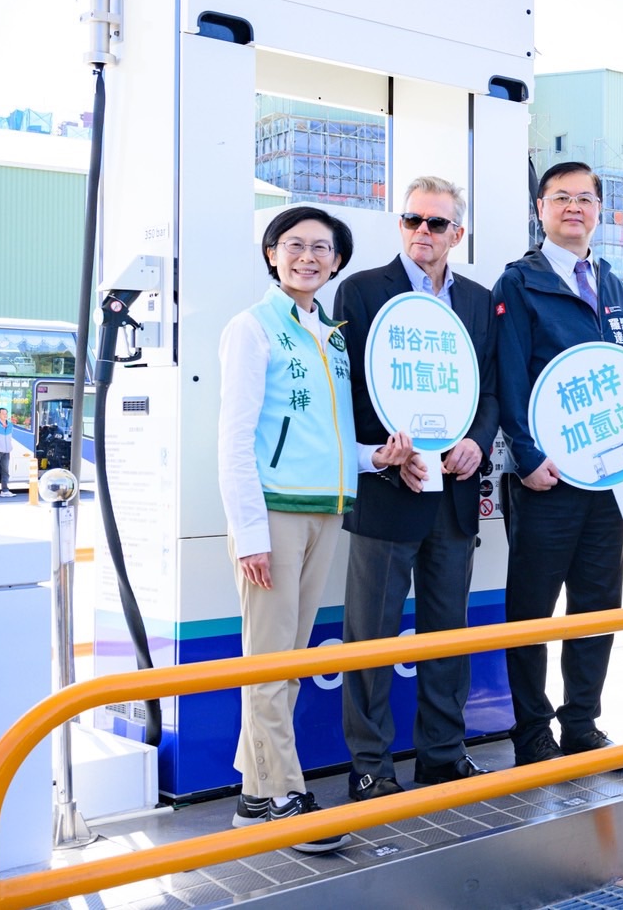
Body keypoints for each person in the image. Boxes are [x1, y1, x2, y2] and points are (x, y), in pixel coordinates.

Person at [217, 205, 412, 852]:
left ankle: (255, 796)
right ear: (271, 253)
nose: (307, 257)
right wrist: (249, 533)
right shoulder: (253, 328)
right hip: (274, 513)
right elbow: (234, 438)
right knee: (271, 662)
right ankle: (285, 796)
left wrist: (375, 457)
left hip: (325, 508)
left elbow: (324, 436)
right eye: (294, 245)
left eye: (321, 248)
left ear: (336, 262)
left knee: (288, 662)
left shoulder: (328, 334)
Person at [494, 161, 623, 766]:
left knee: (598, 605)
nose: (574, 207)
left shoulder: (610, 282)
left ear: (599, 210)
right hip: (547, 479)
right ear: (540, 209)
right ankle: (531, 732)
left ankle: (581, 722)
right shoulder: (519, 283)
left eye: (585, 198)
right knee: (533, 610)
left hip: (607, 478)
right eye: (561, 197)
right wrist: (526, 456)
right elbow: (509, 374)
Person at [334, 175, 501, 801]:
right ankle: (370, 766)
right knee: (370, 638)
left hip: (454, 494)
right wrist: (386, 454)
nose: (422, 232)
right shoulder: (361, 290)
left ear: (458, 233)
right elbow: (350, 387)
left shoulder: (478, 300)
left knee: (447, 634)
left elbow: (488, 390)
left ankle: (443, 756)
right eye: (412, 220)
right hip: (387, 490)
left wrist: (477, 441)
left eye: (436, 223)